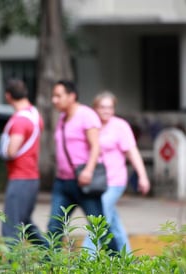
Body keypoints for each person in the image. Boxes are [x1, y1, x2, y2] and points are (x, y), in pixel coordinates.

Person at [47, 80, 117, 251]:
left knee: (99, 228)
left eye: (58, 96)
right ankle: (50, 266)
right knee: (54, 227)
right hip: (62, 183)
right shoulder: (62, 118)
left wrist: (88, 171)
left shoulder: (86, 115)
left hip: (84, 181)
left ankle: (118, 263)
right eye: (53, 96)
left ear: (72, 96)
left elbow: (96, 146)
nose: (54, 100)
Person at [82, 91, 150, 252]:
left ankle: (85, 260)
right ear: (95, 108)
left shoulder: (120, 126)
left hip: (115, 181)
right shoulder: (91, 125)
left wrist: (143, 176)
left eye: (110, 107)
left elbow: (132, 152)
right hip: (97, 181)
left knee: (97, 220)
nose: (106, 111)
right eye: (103, 107)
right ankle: (126, 259)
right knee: (114, 224)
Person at [0, 79, 47, 247]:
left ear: (8, 96)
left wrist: (3, 150)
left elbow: (12, 151)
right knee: (25, 223)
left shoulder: (20, 121)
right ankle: (50, 255)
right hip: (31, 177)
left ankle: (13, 265)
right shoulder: (35, 114)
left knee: (10, 226)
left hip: (20, 178)